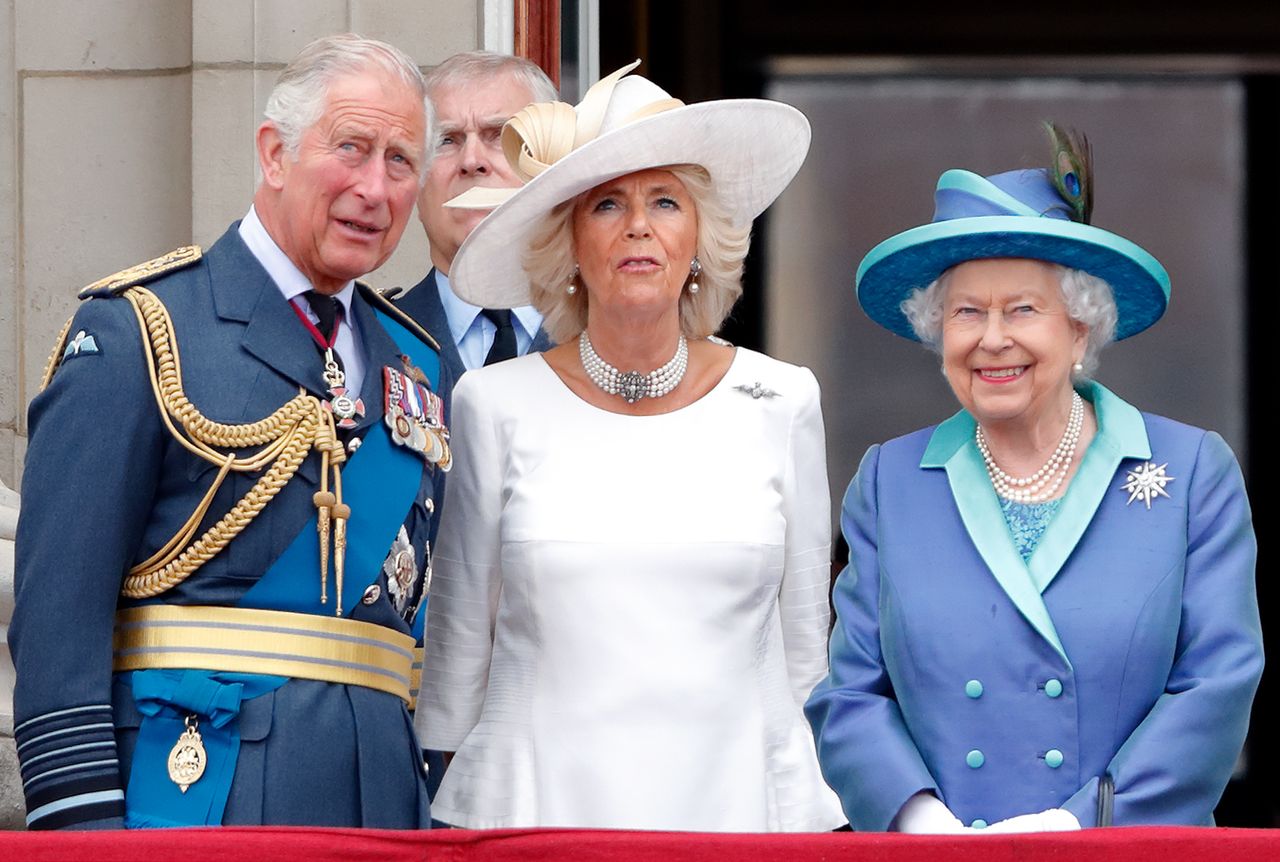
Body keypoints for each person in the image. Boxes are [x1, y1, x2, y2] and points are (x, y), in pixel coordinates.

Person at [10, 34, 449, 830]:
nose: (375, 188)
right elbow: (56, 621)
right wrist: (82, 830)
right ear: (273, 154)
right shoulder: (142, 331)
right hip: (198, 799)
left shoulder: (416, 365)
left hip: (381, 808)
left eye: (400, 161)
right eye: (350, 148)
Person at [415, 62, 845, 831]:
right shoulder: (492, 403)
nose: (638, 225)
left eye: (665, 201)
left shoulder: (784, 400)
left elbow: (806, 656)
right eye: (607, 203)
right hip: (534, 818)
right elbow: (455, 658)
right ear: (570, 244)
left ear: (701, 242)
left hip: (736, 815)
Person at [805, 126, 1264, 832]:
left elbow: (1216, 686)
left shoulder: (1192, 472)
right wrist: (919, 821)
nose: (992, 339)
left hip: (1121, 853)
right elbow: (851, 694)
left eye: (1022, 309)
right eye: (966, 313)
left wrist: (1077, 827)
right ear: (938, 333)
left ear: (1080, 330)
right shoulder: (889, 482)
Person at [396, 51, 556, 383]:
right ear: (414, 180)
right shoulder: (371, 340)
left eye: (499, 136)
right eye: (445, 140)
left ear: (552, 165)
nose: (471, 160)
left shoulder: (614, 334)